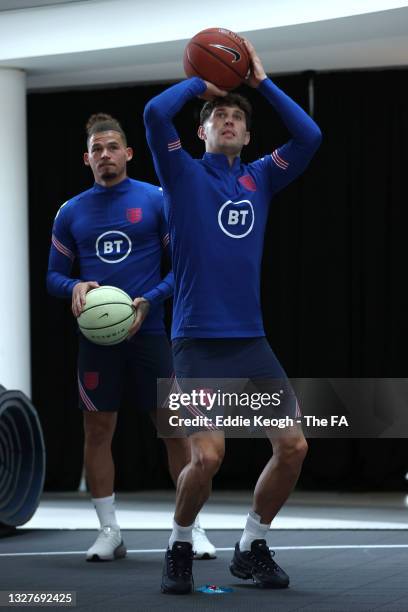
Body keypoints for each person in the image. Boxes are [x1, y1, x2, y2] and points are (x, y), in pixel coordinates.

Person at [144, 39, 322, 593]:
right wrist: (206, 83)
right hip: (196, 342)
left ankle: (252, 544)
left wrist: (261, 82)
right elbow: (154, 113)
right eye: (217, 115)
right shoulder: (180, 174)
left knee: (294, 447)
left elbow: (310, 137)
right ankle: (178, 544)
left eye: (235, 118)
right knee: (210, 456)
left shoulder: (263, 177)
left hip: (252, 342)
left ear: (247, 136)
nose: (226, 119)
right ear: (201, 132)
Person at [46, 113, 216, 562]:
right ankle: (109, 532)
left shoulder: (157, 200)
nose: (105, 155)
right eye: (96, 150)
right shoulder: (71, 211)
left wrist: (148, 301)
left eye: (112, 147)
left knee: (175, 431)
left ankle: (191, 527)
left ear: (128, 153)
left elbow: (183, 267)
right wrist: (74, 287)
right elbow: (53, 276)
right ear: (87, 158)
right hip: (96, 341)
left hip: (152, 333)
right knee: (97, 430)